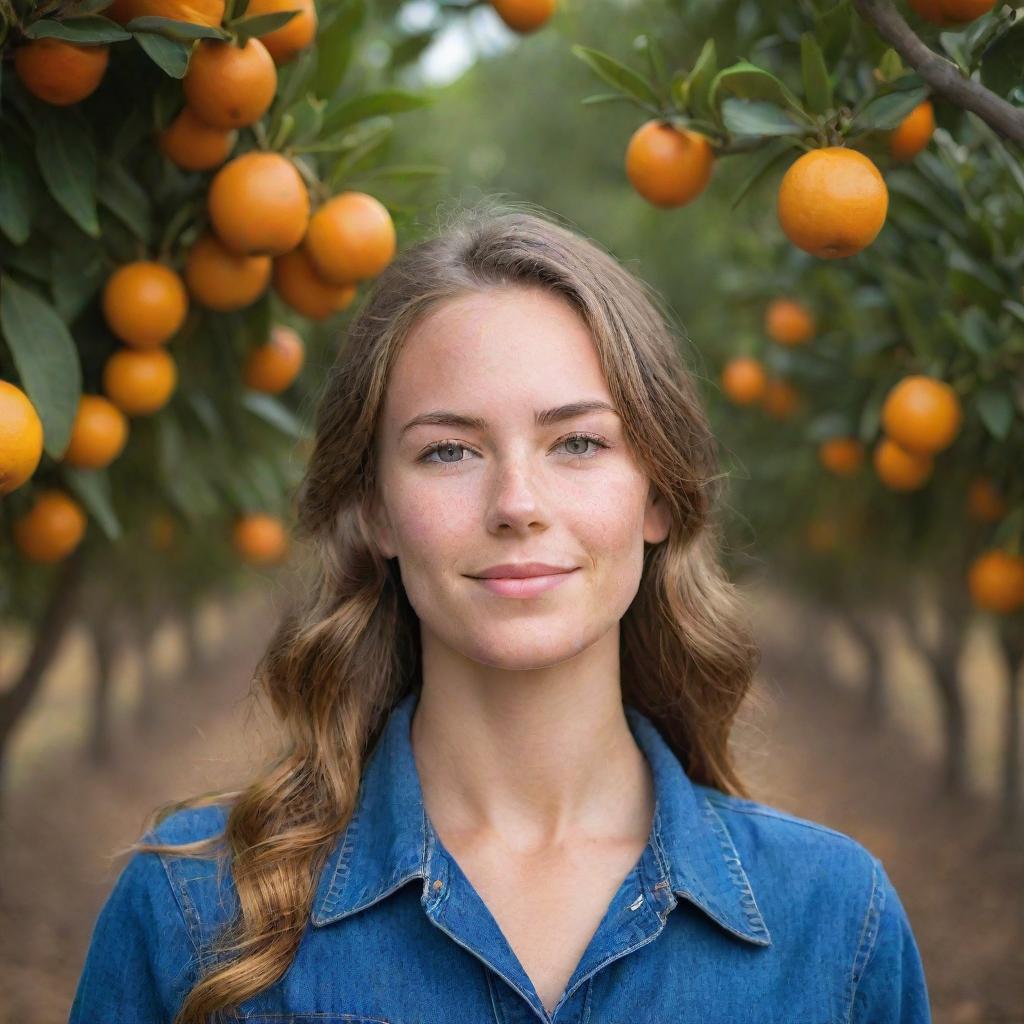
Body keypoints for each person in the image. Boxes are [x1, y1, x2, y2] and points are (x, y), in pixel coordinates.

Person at [68, 198, 932, 1024]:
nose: (517, 503)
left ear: (658, 496)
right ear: (374, 510)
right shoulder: (193, 912)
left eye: (579, 443)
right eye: (448, 450)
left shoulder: (836, 923)